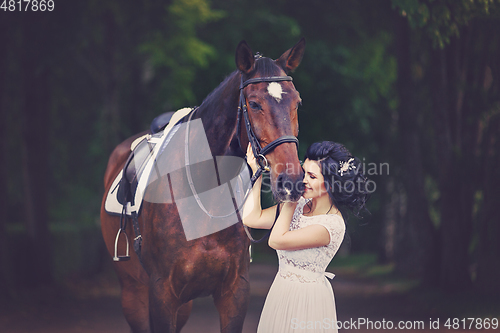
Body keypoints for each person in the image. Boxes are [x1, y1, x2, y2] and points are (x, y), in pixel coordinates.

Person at [242, 141, 370, 333]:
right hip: (280, 293)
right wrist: (257, 172)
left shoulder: (331, 225)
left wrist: (291, 201)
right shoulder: (300, 204)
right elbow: (252, 217)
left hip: (307, 302)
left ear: (330, 183)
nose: (303, 180)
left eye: (312, 176)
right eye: (304, 173)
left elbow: (277, 240)